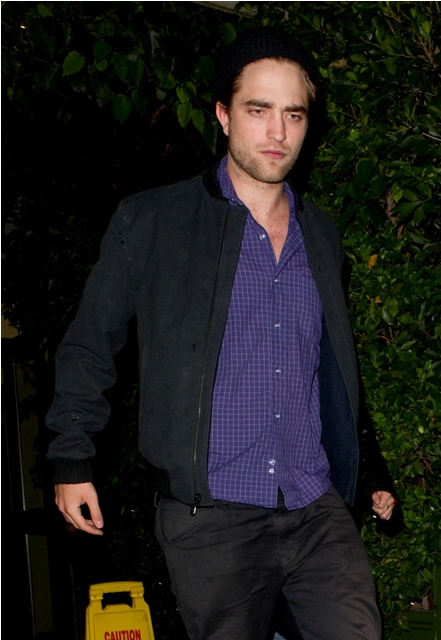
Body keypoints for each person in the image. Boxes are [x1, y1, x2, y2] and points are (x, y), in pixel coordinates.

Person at [46, 26, 400, 640]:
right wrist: (71, 456)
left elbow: (332, 367)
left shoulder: (321, 234)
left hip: (313, 504)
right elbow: (90, 343)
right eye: (258, 110)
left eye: (294, 114)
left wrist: (367, 470)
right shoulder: (153, 221)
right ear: (223, 115)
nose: (277, 132)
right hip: (211, 516)